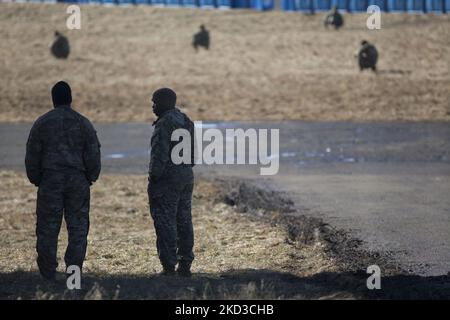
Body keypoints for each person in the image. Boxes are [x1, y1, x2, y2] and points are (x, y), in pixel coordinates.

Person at [25, 81, 101, 281]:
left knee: (48, 229)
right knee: (78, 229)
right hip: (77, 180)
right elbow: (93, 155)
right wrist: (90, 177)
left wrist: (37, 179)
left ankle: (48, 275)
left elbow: (32, 156)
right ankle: (73, 276)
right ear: (70, 98)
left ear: (53, 99)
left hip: (50, 180)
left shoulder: (42, 123)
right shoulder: (83, 123)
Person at [148, 88, 195, 277]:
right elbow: (192, 154)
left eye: (155, 102)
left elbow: (159, 155)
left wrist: (153, 177)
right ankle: (185, 264)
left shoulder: (164, 124)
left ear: (165, 103)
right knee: (184, 220)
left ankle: (168, 266)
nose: (153, 107)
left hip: (167, 179)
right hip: (185, 175)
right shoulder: (185, 120)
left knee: (165, 221)